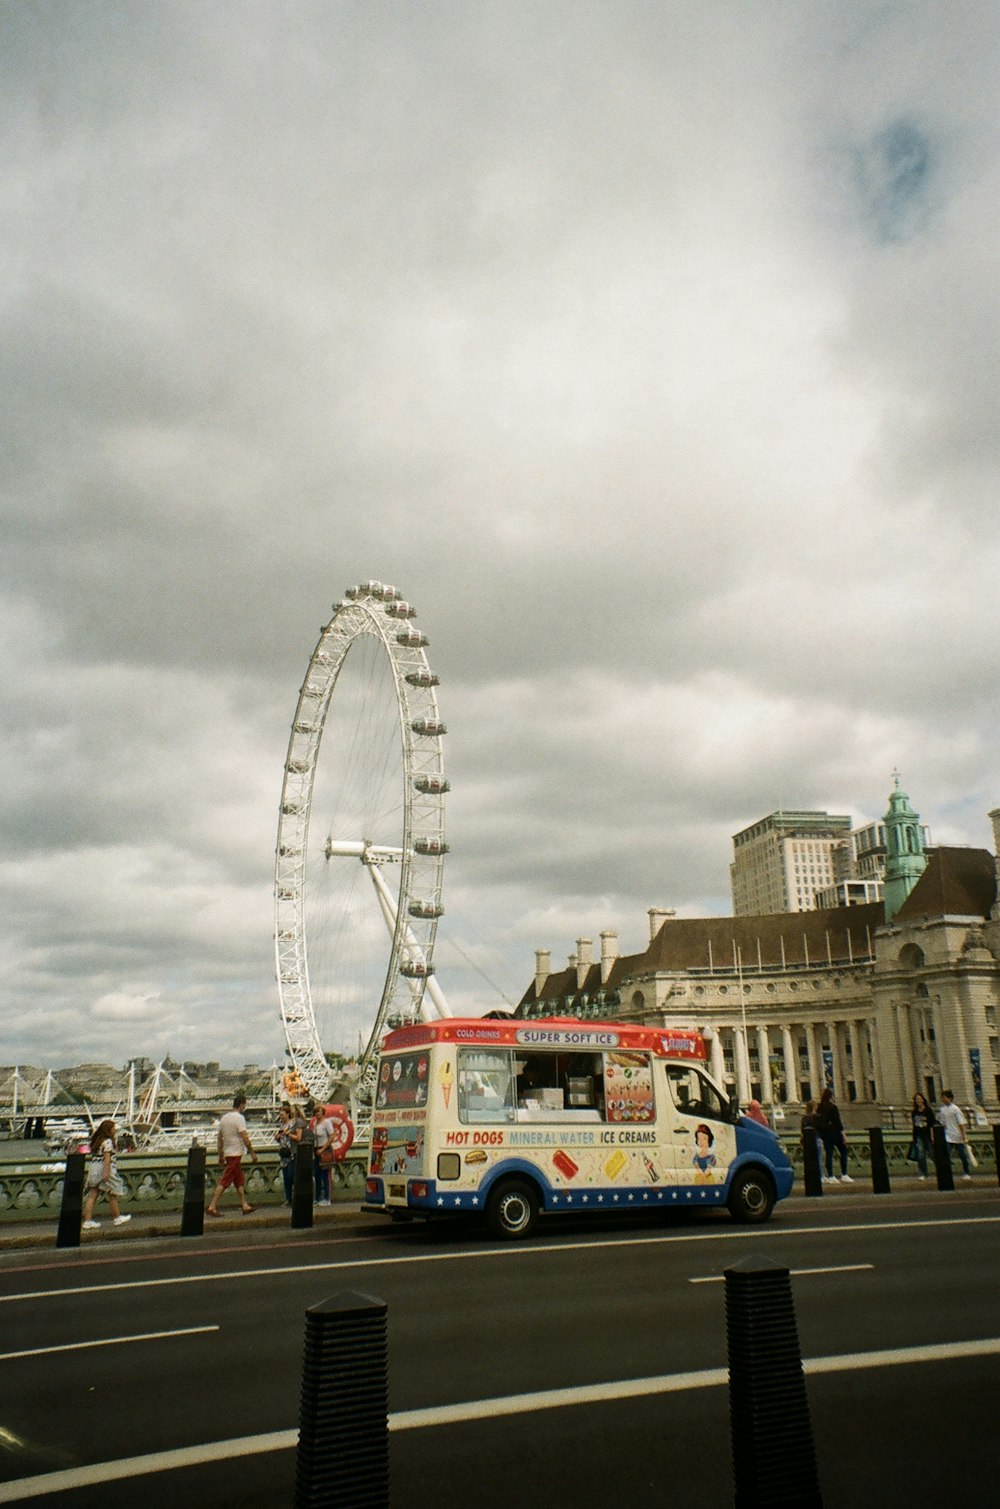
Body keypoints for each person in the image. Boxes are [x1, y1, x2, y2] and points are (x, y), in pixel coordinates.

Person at [207, 1092, 258, 1216]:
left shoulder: (224, 1118)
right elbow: (245, 1137)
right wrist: (252, 1152)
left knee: (238, 1180)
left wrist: (220, 1155)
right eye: (244, 1105)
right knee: (225, 1181)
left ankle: (244, 1205)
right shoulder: (239, 1118)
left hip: (227, 1153)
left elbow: (219, 1139)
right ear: (241, 1105)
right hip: (236, 1153)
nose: (244, 1107)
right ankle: (212, 1206)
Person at [82, 1120, 131, 1229]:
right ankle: (117, 1218)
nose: (115, 1130)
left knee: (92, 1196)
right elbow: (107, 1157)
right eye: (113, 1128)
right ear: (109, 1130)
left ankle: (87, 1221)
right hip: (104, 1167)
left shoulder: (97, 1141)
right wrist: (106, 1171)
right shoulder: (108, 1141)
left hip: (94, 1167)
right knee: (113, 1193)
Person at [815, 1088, 852, 1183]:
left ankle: (830, 1175)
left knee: (829, 1154)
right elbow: (837, 1121)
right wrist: (843, 1133)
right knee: (843, 1152)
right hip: (834, 1133)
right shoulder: (833, 1107)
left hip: (824, 1134)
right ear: (831, 1096)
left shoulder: (819, 1107)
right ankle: (844, 1174)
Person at [937, 1090, 972, 1180]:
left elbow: (961, 1123)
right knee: (947, 1155)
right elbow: (942, 1123)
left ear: (950, 1098)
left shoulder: (956, 1109)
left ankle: (966, 1172)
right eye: (942, 1097)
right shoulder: (942, 1110)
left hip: (957, 1135)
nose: (942, 1099)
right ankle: (948, 1173)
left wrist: (964, 1135)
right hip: (947, 1135)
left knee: (962, 1155)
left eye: (944, 1097)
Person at [275, 1103, 300, 1205]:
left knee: (291, 1176)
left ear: (287, 1114)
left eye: (282, 1114)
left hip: (292, 1153)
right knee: (286, 1178)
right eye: (280, 1115)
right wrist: (277, 1138)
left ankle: (296, 1197)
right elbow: (281, 1139)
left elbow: (298, 1138)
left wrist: (288, 1133)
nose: (280, 1117)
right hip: (283, 1154)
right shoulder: (282, 1125)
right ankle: (288, 1199)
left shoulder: (293, 1124)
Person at [909, 1092, 936, 1179]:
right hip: (919, 1135)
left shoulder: (928, 1110)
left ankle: (940, 1169)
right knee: (921, 1154)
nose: (918, 1101)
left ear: (923, 1100)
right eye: (917, 1099)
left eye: (920, 1099)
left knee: (932, 1153)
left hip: (927, 1135)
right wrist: (914, 1137)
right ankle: (923, 1173)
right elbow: (914, 1125)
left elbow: (932, 1124)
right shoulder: (914, 1112)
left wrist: (932, 1136)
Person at [312, 1102, 335, 1206]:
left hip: (324, 1150)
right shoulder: (315, 1123)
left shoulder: (327, 1123)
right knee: (317, 1175)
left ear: (323, 1112)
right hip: (316, 1150)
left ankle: (327, 1198)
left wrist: (323, 1149)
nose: (318, 1114)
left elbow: (331, 1136)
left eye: (320, 1112)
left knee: (325, 1175)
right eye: (316, 1112)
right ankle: (317, 1198)